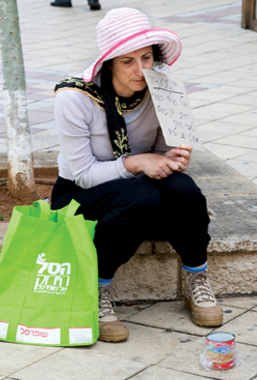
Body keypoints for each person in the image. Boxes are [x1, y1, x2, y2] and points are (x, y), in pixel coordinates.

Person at [51, 8, 223, 343]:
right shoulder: (74, 97)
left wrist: (171, 158)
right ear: (110, 63)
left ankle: (197, 278)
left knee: (185, 191)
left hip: (138, 194)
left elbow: (158, 157)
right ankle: (95, 289)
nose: (140, 69)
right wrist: (136, 163)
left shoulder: (163, 89)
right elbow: (83, 173)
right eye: (127, 61)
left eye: (146, 57)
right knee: (142, 195)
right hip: (80, 194)